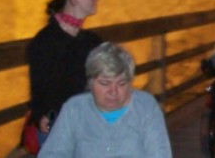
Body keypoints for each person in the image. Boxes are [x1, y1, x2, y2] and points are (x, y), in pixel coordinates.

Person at [38, 42, 172, 157]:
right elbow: (52, 153)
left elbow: (160, 154)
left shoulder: (146, 107)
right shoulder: (74, 109)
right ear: (90, 83)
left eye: (121, 83)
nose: (113, 92)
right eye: (105, 83)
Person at [26, 0, 102, 148]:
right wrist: (40, 116)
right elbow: (38, 88)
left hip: (88, 125)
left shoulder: (92, 41)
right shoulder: (45, 41)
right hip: (58, 127)